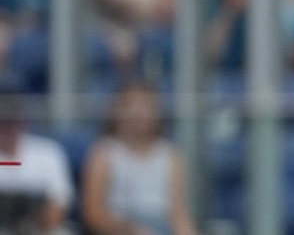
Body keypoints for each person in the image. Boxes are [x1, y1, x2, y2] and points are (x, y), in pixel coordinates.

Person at [81, 83, 195, 235]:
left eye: (145, 106)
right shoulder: (104, 152)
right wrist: (128, 229)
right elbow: (93, 213)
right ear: (117, 111)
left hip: (161, 227)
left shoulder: (170, 155)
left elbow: (178, 214)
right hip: (121, 226)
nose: (137, 113)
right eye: (131, 105)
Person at [0, 97, 71, 233]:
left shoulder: (47, 151)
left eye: (11, 122)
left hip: (40, 228)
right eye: (2, 123)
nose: (7, 130)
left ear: (23, 121)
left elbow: (60, 202)